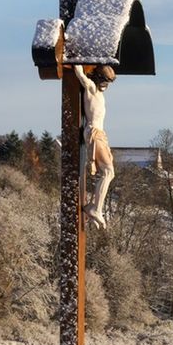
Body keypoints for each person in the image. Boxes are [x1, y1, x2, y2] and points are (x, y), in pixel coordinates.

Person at [72, 64, 115, 229]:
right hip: (94, 133)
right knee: (108, 172)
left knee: (108, 173)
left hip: (100, 134)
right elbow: (79, 73)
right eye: (105, 81)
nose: (106, 86)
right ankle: (96, 209)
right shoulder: (91, 88)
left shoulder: (100, 94)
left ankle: (94, 208)